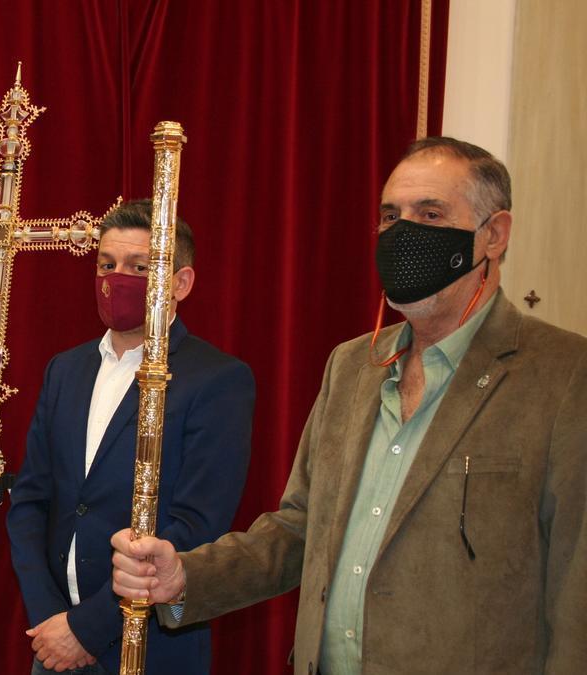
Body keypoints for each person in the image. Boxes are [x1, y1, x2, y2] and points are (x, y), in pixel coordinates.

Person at [112, 137, 587, 674]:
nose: (402, 233)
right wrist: (185, 578)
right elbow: (299, 529)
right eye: (390, 216)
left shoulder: (564, 376)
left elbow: (576, 590)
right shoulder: (352, 365)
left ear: (494, 235)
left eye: (430, 213)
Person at [7, 200, 255, 674]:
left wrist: (87, 628)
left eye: (139, 267)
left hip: (154, 644)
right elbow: (32, 499)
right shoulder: (65, 369)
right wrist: (49, 618)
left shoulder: (217, 380)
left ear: (180, 283)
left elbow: (196, 525)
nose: (116, 279)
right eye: (107, 264)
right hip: (53, 640)